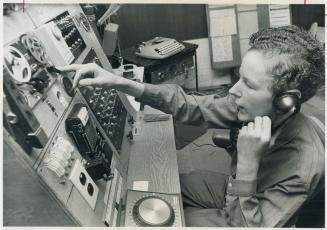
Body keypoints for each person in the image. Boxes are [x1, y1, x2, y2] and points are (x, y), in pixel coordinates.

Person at [58, 25, 325, 227]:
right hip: (239, 188)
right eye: (238, 77)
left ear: (286, 102)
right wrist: (123, 83)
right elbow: (191, 105)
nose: (233, 90)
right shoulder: (258, 107)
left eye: (249, 85)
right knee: (160, 191)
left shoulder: (302, 168)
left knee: (179, 222)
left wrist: (247, 164)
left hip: (250, 213)